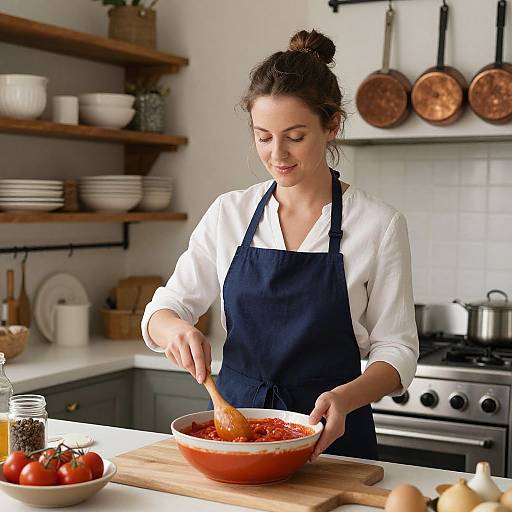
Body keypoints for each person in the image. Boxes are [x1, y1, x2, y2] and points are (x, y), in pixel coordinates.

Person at [142, 29, 418, 460]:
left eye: (295, 136)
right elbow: (163, 309)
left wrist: (345, 398)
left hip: (332, 440)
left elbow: (398, 350)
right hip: (237, 435)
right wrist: (175, 329)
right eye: (263, 136)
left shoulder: (378, 225)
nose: (277, 155)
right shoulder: (228, 214)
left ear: (332, 125)